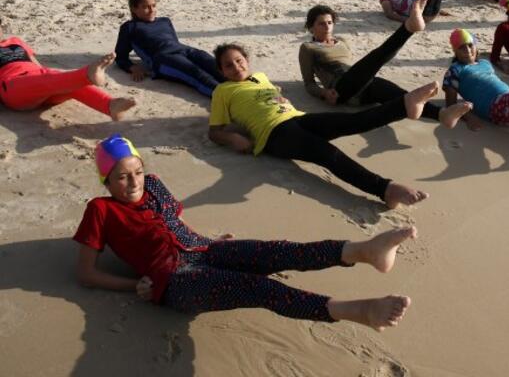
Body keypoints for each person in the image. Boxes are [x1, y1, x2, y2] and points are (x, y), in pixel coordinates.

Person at [74, 134, 414, 331]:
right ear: (106, 180)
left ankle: (362, 251)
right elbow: (86, 273)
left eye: (136, 170)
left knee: (278, 250)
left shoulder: (153, 185)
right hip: (173, 280)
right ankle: (354, 311)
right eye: (121, 176)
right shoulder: (101, 209)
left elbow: (174, 226)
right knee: (259, 288)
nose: (133, 181)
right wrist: (134, 285)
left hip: (205, 249)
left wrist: (210, 242)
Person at [210, 43, 438, 209]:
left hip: (297, 118)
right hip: (273, 134)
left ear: (247, 61)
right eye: (228, 65)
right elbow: (214, 132)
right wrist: (233, 139)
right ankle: (385, 189)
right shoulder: (222, 91)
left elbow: (270, 94)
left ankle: (404, 106)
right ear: (222, 72)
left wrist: (282, 99)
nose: (236, 66)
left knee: (352, 122)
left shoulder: (260, 76)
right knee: (326, 153)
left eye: (239, 60)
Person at [300, 0, 472, 126]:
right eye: (322, 24)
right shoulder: (308, 48)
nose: (327, 27)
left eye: (330, 22)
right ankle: (408, 28)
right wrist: (324, 93)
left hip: (362, 84)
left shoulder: (342, 41)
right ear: (311, 27)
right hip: (340, 90)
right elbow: (308, 83)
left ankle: (442, 114)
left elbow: (357, 69)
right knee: (378, 56)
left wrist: (362, 76)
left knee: (407, 98)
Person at [0, 19, 135, 120]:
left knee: (66, 84)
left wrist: (47, 73)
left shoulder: (15, 41)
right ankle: (87, 74)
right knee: (56, 81)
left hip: (39, 78)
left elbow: (35, 63)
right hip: (13, 85)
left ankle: (109, 106)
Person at [115, 0, 223, 97]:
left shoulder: (165, 21)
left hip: (183, 50)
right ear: (134, 8)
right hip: (163, 59)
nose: (152, 10)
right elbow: (120, 57)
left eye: (153, 5)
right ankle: (226, 96)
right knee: (196, 73)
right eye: (145, 7)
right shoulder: (129, 27)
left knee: (212, 63)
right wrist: (133, 67)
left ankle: (240, 84)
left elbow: (174, 41)